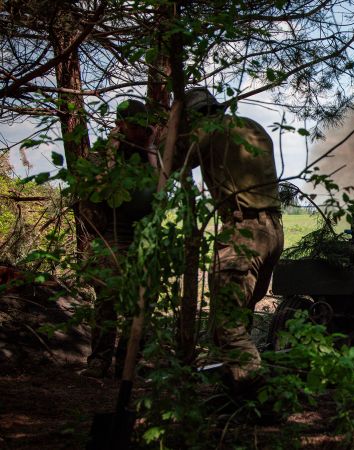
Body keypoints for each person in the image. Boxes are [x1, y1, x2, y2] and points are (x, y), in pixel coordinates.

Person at [182, 87, 284, 391]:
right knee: (241, 315)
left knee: (226, 323)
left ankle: (258, 389)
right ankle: (234, 391)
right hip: (273, 231)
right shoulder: (252, 127)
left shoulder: (210, 131)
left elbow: (175, 160)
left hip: (244, 232)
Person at [82, 100, 158, 378]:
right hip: (111, 234)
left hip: (143, 235)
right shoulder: (101, 156)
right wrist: (113, 155)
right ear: (121, 125)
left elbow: (162, 191)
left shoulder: (151, 155)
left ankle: (128, 361)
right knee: (107, 297)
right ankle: (99, 360)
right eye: (134, 126)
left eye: (144, 127)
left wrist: (150, 150)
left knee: (142, 299)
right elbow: (97, 193)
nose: (140, 132)